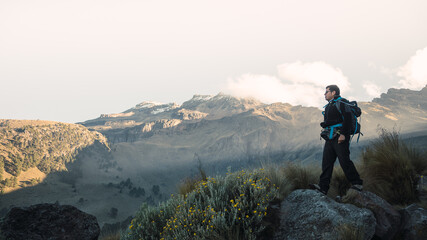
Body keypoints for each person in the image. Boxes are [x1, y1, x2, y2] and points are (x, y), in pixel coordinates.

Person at [311, 85, 363, 195]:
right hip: (330, 137)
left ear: (333, 92)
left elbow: (348, 118)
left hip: (340, 136)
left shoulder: (342, 103)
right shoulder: (328, 106)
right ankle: (323, 187)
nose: (324, 94)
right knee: (327, 162)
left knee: (344, 161)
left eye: (326, 92)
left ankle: (357, 183)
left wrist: (343, 135)